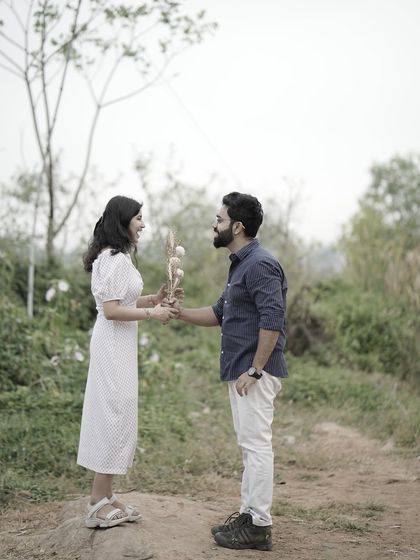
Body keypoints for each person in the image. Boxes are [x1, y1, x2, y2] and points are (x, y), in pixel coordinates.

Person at [172, 192, 288, 550]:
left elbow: (272, 319)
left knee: (256, 447)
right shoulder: (240, 264)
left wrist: (255, 370)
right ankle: (248, 516)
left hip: (254, 374)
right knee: (248, 445)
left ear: (237, 226)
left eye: (219, 219)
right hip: (241, 372)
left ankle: (260, 526)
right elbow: (219, 313)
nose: (215, 224)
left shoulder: (261, 264)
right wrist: (178, 312)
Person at [77, 195, 179, 529]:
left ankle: (106, 495)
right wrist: (154, 312)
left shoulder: (113, 257)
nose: (143, 224)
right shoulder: (116, 259)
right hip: (112, 344)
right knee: (113, 414)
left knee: (116, 413)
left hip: (116, 344)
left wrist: (155, 298)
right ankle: (96, 503)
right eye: (138, 218)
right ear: (123, 222)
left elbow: (123, 300)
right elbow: (111, 310)